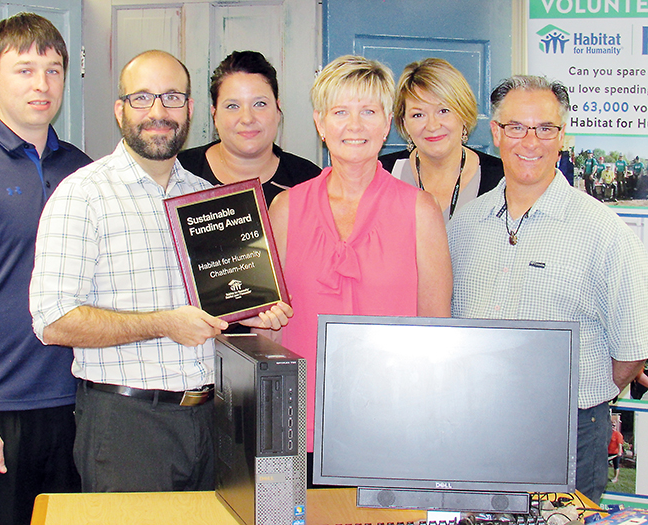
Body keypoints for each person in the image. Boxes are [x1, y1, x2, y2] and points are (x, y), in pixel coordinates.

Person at [29, 50, 291, 493]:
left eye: (172, 98)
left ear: (190, 110)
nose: (158, 112)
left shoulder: (209, 198)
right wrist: (164, 323)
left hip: (214, 419)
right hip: (128, 425)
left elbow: (215, 306)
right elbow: (52, 321)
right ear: (120, 110)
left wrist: (249, 311)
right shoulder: (82, 195)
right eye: (142, 98)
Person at [448, 75, 648, 504]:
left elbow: (631, 352)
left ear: (563, 137)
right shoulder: (462, 227)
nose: (531, 141)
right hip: (473, 424)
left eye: (546, 129)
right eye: (517, 127)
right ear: (496, 133)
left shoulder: (604, 232)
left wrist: (576, 396)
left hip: (570, 432)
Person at [269, 55, 452, 481]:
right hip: (296, 424)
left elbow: (437, 330)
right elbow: (265, 329)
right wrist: (260, 316)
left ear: (387, 122)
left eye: (368, 111)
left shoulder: (419, 211)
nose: (355, 126)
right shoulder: (285, 207)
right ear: (320, 122)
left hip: (392, 422)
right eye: (340, 112)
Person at [0, 13, 91, 525]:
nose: (42, 84)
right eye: (25, 70)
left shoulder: (85, 172)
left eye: (53, 70)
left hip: (77, 406)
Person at [178, 50, 320, 205]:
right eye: (232, 106)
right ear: (215, 115)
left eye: (260, 104)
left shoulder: (310, 182)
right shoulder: (179, 171)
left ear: (278, 110)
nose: (247, 119)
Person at [379, 58, 503, 222]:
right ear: (404, 123)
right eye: (418, 115)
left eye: (443, 111)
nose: (432, 125)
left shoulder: (502, 178)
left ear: (463, 114)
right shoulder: (380, 174)